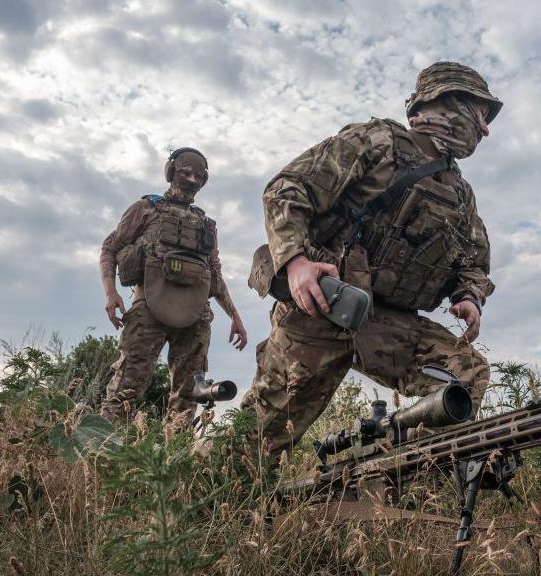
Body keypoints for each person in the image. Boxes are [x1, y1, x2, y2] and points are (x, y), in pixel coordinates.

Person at [244, 62, 501, 462]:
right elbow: (286, 189)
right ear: (449, 103)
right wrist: (295, 262)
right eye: (481, 114)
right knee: (259, 442)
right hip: (322, 309)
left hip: (385, 325)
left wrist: (469, 294)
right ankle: (193, 496)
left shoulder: (460, 194)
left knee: (463, 374)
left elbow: (473, 260)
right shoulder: (376, 141)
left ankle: (407, 477)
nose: (485, 129)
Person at [99, 147, 248, 424]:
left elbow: (214, 272)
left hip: (195, 315)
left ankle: (175, 460)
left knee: (189, 394)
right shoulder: (145, 209)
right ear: (170, 173)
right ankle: (102, 455)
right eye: (185, 172)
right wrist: (111, 293)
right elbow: (109, 248)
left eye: (199, 175)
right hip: (148, 310)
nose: (192, 179)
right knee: (126, 389)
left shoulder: (205, 224)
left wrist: (235, 316)